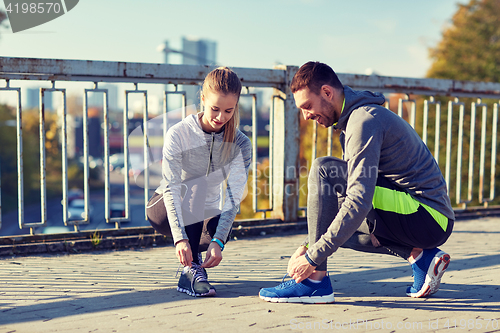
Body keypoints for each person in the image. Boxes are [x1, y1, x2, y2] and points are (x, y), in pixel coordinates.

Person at [259, 61, 454, 303]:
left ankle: (314, 281)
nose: (306, 115)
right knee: (336, 220)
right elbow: (339, 205)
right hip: (425, 219)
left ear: (327, 93)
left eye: (307, 106)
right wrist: (308, 245)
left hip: (427, 214)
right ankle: (421, 258)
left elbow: (358, 200)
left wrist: (311, 259)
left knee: (323, 170)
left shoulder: (363, 121)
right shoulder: (354, 120)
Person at [147, 67, 252, 297]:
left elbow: (234, 197)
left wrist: (219, 240)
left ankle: (196, 260)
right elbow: (172, 188)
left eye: (228, 111)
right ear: (202, 99)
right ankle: (190, 270)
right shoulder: (179, 134)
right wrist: (180, 239)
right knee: (198, 183)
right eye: (215, 109)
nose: (221, 117)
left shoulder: (241, 144)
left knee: (218, 220)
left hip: (202, 215)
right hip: (165, 209)